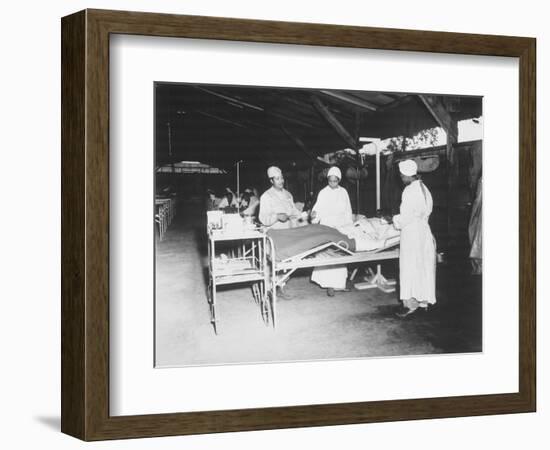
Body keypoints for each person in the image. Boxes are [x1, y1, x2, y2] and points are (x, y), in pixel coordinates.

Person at [392, 160, 437, 317]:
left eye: (401, 175)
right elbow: (425, 211)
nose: (401, 178)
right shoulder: (424, 188)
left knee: (409, 267)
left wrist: (394, 220)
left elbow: (406, 217)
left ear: (405, 175)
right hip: (423, 232)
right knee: (422, 267)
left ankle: (410, 304)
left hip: (411, 233)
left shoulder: (409, 191)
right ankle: (423, 301)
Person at [310, 166, 353, 296]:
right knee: (328, 255)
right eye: (330, 181)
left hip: (340, 227)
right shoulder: (323, 192)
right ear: (327, 180)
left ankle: (339, 284)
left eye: (335, 181)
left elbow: (348, 210)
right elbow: (317, 210)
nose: (333, 183)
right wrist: (313, 216)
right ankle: (328, 284)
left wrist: (349, 226)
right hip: (327, 227)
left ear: (339, 180)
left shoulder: (344, 192)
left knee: (340, 254)